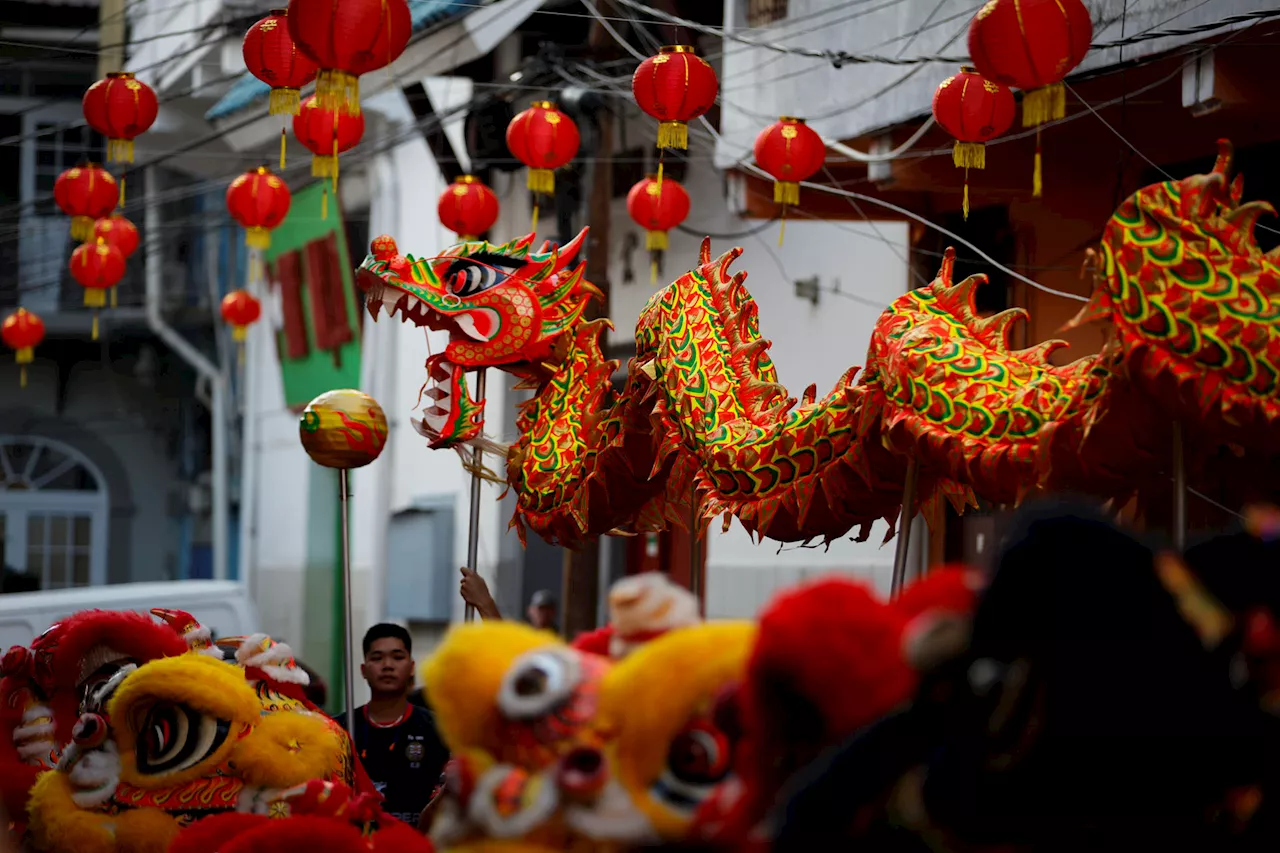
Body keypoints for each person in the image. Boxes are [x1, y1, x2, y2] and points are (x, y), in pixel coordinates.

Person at [334, 624, 449, 828]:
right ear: (363, 670)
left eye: (397, 657)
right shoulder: (338, 730)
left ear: (412, 666)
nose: (387, 665)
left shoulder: (440, 730)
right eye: (377, 658)